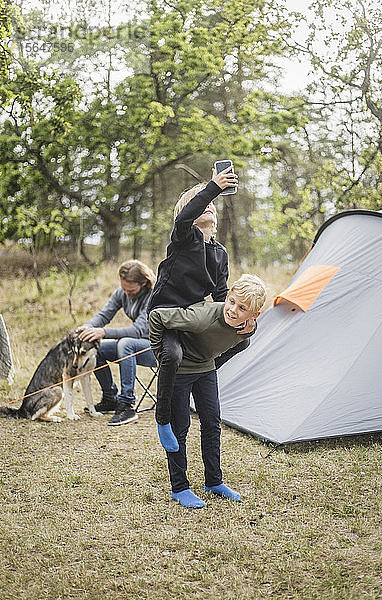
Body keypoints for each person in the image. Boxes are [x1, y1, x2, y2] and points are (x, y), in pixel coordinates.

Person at [148, 166, 254, 452]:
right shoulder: (184, 239)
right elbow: (184, 218)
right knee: (172, 355)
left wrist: (241, 322)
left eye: (211, 204)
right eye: (202, 202)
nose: (209, 204)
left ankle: (199, 370)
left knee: (243, 341)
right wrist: (213, 186)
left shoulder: (219, 253)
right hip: (166, 313)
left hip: (195, 315)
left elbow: (221, 295)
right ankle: (162, 418)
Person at [149, 274, 267, 508]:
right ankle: (179, 487)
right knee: (180, 428)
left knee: (212, 424)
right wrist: (161, 356)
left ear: (253, 316)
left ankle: (214, 481)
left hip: (205, 371)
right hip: (180, 371)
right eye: (231, 301)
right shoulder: (201, 318)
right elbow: (156, 317)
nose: (232, 309)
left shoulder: (246, 330)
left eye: (242, 308)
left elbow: (241, 340)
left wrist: (213, 365)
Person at [78, 260, 157, 426]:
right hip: (137, 345)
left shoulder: (154, 296)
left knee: (125, 343)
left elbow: (138, 331)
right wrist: (87, 327)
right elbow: (104, 315)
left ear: (143, 283)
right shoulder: (122, 292)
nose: (126, 293)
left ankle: (127, 405)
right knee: (96, 347)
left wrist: (104, 332)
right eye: (124, 289)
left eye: (130, 290)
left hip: (157, 349)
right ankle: (110, 398)